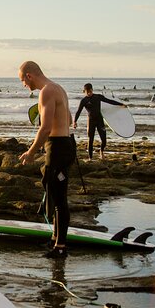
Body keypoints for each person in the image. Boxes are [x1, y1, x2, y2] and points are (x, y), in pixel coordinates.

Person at [18, 61, 75, 258]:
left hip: (58, 147)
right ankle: (55, 239)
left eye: (23, 81)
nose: (24, 86)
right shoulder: (59, 88)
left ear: (29, 76)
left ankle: (60, 247)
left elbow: (46, 128)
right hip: (65, 144)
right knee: (54, 191)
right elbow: (68, 119)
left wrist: (31, 151)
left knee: (59, 199)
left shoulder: (46, 91)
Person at [73, 83, 125, 160]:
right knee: (90, 140)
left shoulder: (98, 97)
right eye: (87, 92)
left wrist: (120, 104)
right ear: (84, 91)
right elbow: (78, 111)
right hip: (91, 121)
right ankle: (90, 158)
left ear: (92, 90)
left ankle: (101, 151)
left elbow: (109, 101)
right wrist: (75, 122)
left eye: (90, 91)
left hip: (100, 120)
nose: (89, 93)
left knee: (104, 140)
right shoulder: (84, 100)